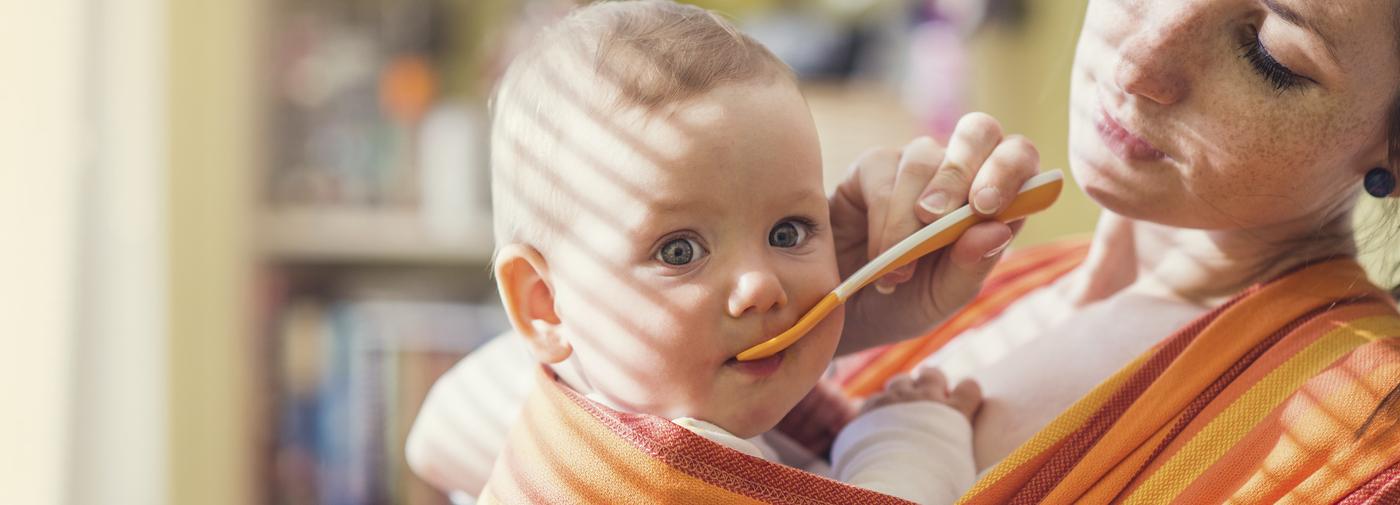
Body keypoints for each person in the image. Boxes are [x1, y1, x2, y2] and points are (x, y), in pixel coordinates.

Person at [411, 0, 1400, 502]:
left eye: (1269, 51)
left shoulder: (1359, 427)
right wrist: (834, 321)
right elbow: (442, 422)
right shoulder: (977, 279)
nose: (1138, 60)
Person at [459, 1, 1021, 503]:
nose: (760, 285)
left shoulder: (634, 406)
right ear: (545, 305)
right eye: (679, 250)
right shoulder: (657, 473)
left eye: (788, 233)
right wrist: (912, 440)